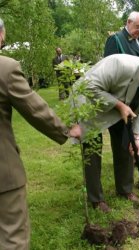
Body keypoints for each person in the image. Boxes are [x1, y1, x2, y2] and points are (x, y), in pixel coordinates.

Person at [0, 18, 81, 249]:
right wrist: (66, 130)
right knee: (11, 236)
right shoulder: (5, 68)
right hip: (3, 174)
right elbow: (35, 109)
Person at [78, 54, 139, 212]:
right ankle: (96, 200)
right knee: (92, 151)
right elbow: (89, 88)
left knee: (127, 145)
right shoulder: (119, 65)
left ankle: (125, 189)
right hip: (91, 104)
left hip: (121, 108)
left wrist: (136, 137)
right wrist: (119, 105)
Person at [103, 11, 139, 169]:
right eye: (138, 27)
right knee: (122, 129)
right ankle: (126, 162)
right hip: (122, 93)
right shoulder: (115, 39)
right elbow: (109, 67)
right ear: (128, 22)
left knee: (137, 125)